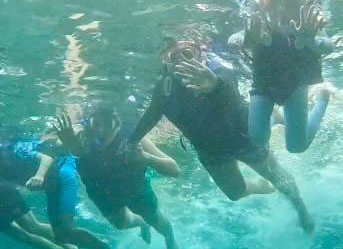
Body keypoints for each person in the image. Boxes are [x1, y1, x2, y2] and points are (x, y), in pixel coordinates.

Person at [127, 38, 315, 233]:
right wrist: (132, 141)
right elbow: (152, 114)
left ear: (200, 54)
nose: (181, 60)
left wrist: (213, 84)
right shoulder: (164, 89)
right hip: (210, 150)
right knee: (235, 193)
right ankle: (260, 186)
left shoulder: (219, 70)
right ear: (166, 64)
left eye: (187, 54)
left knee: (277, 177)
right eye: (173, 57)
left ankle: (301, 210)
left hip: (242, 136)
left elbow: (225, 85)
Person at [55, 103, 181, 249]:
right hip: (101, 191)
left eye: (107, 124)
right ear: (89, 122)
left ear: (118, 124)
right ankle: (142, 223)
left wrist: (147, 158)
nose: (101, 130)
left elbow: (175, 170)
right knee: (121, 224)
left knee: (156, 220)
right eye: (96, 124)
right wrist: (69, 144)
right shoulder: (80, 137)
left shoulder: (133, 138)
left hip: (134, 189)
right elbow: (60, 154)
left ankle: (170, 239)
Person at [240, 0, 333, 154]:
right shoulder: (258, 27)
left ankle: (322, 99)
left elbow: (328, 46)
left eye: (289, 5)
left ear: (300, 9)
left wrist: (311, 41)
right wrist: (247, 40)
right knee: (257, 139)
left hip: (295, 89)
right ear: (263, 9)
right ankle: (274, 118)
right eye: (273, 4)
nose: (281, 11)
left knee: (296, 147)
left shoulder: (309, 27)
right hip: (263, 88)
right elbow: (234, 39)